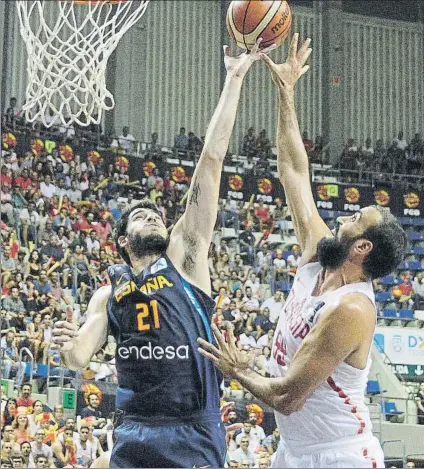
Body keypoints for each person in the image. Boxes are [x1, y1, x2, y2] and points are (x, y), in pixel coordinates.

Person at [52, 39, 275, 469]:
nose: (154, 217)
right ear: (121, 240)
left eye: (157, 213)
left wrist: (234, 77)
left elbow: (211, 162)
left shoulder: (186, 259)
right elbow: (79, 358)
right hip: (134, 428)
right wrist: (65, 346)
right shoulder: (108, 293)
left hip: (191, 426)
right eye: (141, 215)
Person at [198, 34, 407, 469]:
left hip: (340, 458)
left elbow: (289, 397)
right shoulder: (319, 258)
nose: (344, 216)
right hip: (293, 452)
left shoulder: (351, 309)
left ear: (362, 248)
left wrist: (237, 370)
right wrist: (286, 91)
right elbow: (294, 170)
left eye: (356, 218)